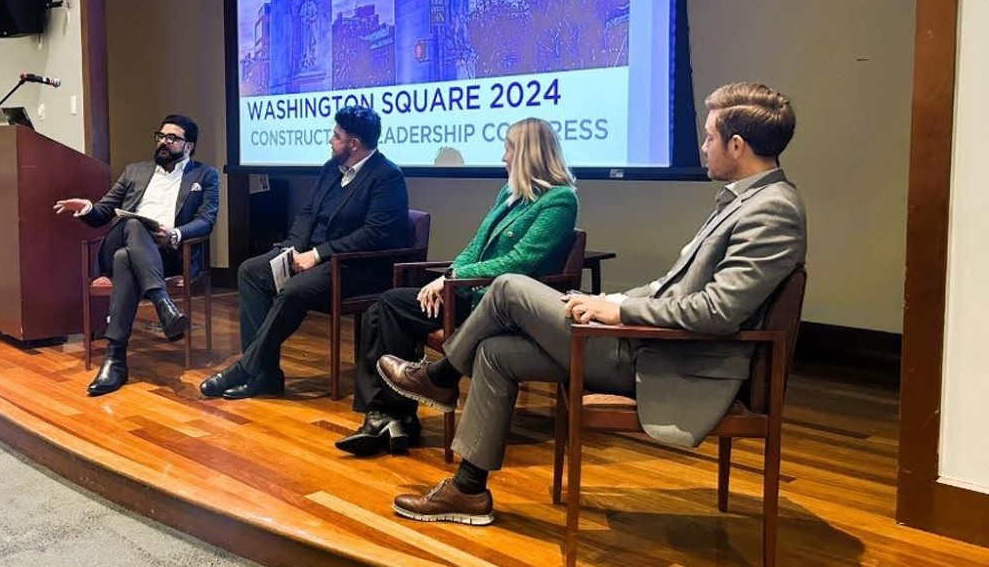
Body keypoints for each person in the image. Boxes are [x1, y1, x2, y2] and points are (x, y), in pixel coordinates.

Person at [377, 82, 807, 525]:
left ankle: (440, 377)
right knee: (494, 352)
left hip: (667, 359)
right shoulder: (745, 201)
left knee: (507, 287)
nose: (702, 147)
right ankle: (468, 490)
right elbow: (671, 286)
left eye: (709, 138)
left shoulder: (772, 210)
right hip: (649, 343)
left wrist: (620, 313)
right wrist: (607, 299)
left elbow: (716, 312)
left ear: (736, 146)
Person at [335, 118, 579, 457]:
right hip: (469, 294)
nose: (503, 157)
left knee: (387, 309)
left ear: (528, 153)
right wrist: (449, 277)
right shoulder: (509, 194)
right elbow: (475, 246)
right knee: (384, 307)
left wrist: (453, 279)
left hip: (500, 310)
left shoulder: (560, 201)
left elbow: (520, 262)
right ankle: (390, 416)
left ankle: (388, 417)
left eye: (508, 149)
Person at [199, 105, 409, 400]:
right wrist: (291, 247)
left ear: (354, 144)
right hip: (313, 257)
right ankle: (267, 376)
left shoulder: (386, 176)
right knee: (251, 271)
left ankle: (248, 367)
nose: (330, 140)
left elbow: (373, 234)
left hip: (356, 267)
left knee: (295, 289)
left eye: (336, 136)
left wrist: (318, 254)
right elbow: (308, 213)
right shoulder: (331, 169)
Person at [54, 114, 220, 397]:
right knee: (133, 224)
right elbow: (103, 211)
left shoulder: (205, 175)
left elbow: (206, 220)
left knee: (125, 260)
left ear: (189, 146)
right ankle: (162, 303)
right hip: (122, 237)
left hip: (167, 252)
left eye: (172, 138)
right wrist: (87, 207)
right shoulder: (135, 171)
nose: (163, 142)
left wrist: (174, 234)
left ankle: (115, 360)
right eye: (161, 136)